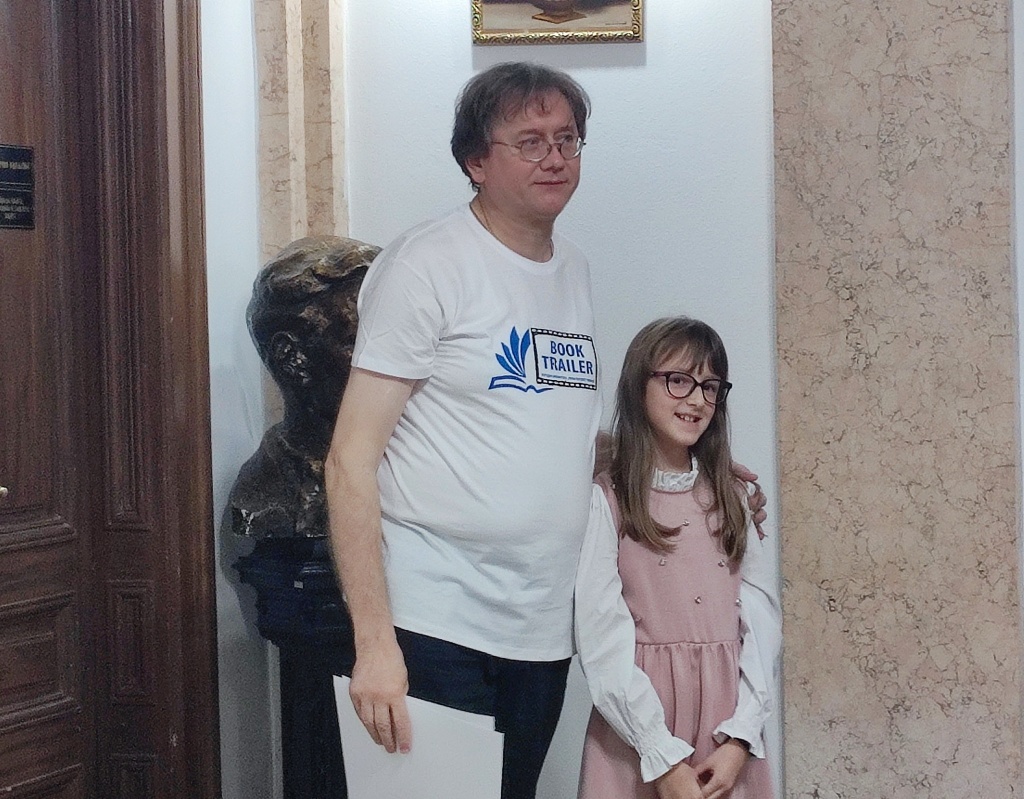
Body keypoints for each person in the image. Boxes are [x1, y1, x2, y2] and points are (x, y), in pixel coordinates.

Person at [324, 63, 766, 799]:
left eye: (567, 139)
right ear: (476, 160)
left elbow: (557, 436)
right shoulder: (426, 264)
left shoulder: (573, 271)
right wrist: (375, 643)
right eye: (529, 142)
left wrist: (695, 472)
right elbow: (349, 459)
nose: (554, 158)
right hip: (433, 620)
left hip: (541, 627)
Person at [574, 317, 781, 799]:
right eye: (678, 380)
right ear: (638, 384)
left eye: (710, 387)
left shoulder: (732, 496)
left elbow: (761, 621)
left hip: (724, 733)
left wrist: (741, 738)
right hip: (639, 733)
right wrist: (660, 755)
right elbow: (601, 637)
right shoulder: (609, 500)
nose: (696, 399)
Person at [228, 235, 378, 539]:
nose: (391, 360)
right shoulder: (263, 494)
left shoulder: (420, 463)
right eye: (359, 342)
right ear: (293, 359)